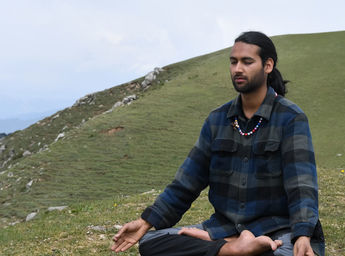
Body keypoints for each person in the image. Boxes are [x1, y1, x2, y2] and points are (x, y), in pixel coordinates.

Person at [111, 31, 325, 256]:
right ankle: (233, 250)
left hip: (279, 231)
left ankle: (232, 249)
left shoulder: (291, 117)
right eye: (233, 62)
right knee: (152, 243)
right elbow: (187, 182)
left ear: (268, 65)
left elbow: (302, 184)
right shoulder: (217, 120)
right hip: (223, 230)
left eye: (247, 62)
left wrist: (302, 235)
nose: (237, 69)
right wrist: (145, 222)